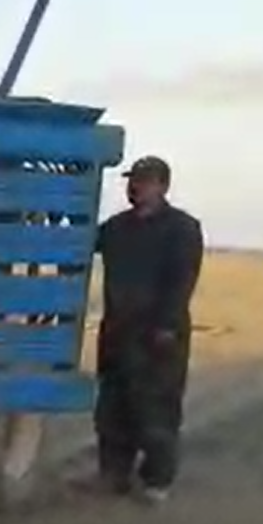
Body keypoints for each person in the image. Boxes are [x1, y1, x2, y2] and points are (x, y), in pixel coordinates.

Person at [92, 155, 204, 505]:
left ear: (163, 186)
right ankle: (114, 475)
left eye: (144, 180)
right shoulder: (115, 228)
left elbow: (182, 280)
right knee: (112, 407)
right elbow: (81, 243)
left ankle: (157, 481)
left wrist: (167, 325)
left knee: (156, 407)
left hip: (157, 334)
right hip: (117, 331)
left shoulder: (182, 228)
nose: (135, 186)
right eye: (133, 180)